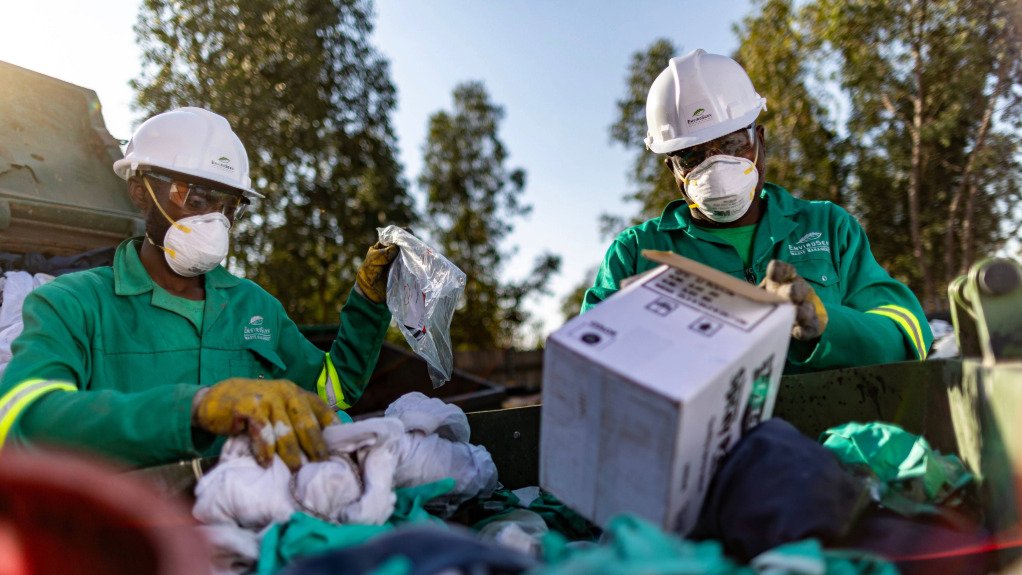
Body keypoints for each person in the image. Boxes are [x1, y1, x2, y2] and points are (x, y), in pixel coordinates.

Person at [0, 107, 398, 469]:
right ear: (140, 191)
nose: (215, 221)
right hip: (128, 536)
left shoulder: (255, 307)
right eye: (196, 197)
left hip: (245, 527)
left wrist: (368, 303)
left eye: (229, 206)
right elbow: (23, 421)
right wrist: (193, 409)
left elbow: (332, 390)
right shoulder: (72, 304)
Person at [583, 49, 932, 373]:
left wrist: (826, 324)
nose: (716, 167)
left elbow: (906, 336)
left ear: (760, 141)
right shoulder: (636, 256)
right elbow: (588, 370)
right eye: (692, 156)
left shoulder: (828, 228)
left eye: (733, 144)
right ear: (673, 170)